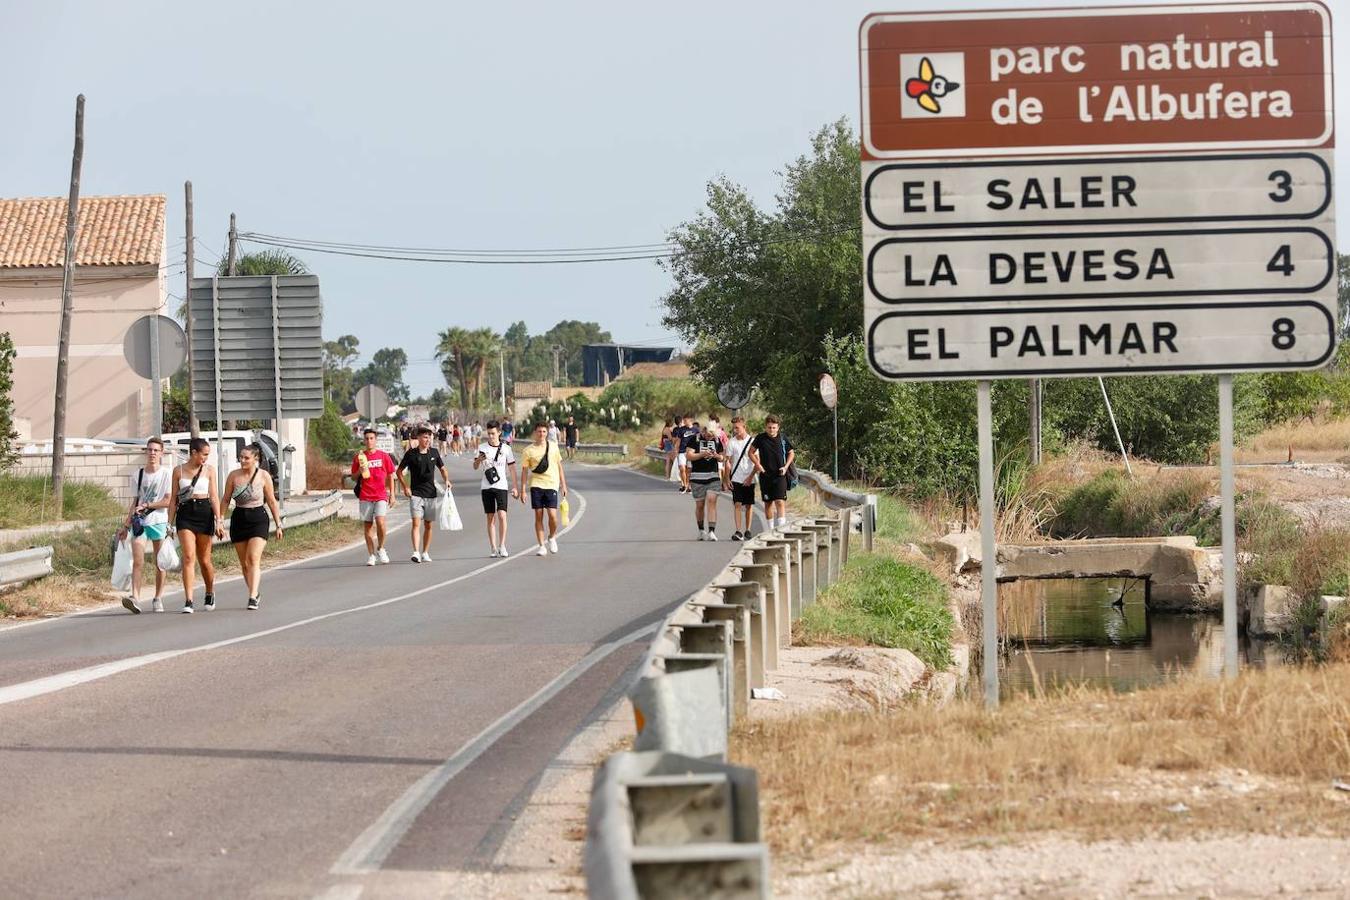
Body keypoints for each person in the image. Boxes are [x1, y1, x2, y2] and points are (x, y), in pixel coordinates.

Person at [224, 443, 284, 610]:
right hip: (239, 518)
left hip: (258, 518)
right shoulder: (233, 476)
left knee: (253, 558)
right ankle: (254, 592)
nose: (242, 460)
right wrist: (220, 521)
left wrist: (278, 524)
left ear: (255, 459)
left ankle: (252, 597)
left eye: (246, 458)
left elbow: (271, 500)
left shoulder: (264, 476)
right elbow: (225, 499)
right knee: (244, 563)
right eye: (241, 457)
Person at [167, 437, 224, 613]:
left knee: (205, 559)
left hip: (204, 512)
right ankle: (189, 600)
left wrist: (219, 520)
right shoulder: (178, 471)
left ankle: (209, 591)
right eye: (204, 454)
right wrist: (169, 524)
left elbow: (214, 496)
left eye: (207, 455)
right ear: (193, 453)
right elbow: (173, 500)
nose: (205, 458)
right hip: (185, 513)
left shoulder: (209, 470)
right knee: (189, 557)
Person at [119, 438, 174, 614]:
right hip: (140, 521)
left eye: (156, 450)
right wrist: (126, 525)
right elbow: (134, 502)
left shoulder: (166, 474)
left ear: (161, 453)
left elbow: (167, 501)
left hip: (158, 520)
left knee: (160, 562)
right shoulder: (138, 475)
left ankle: (158, 597)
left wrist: (148, 506)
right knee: (138, 560)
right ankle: (135, 596)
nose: (152, 453)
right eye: (150, 450)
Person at [397, 425, 450, 563]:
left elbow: (443, 469)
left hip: (431, 494)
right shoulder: (411, 454)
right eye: (425, 437)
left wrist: (447, 481)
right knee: (416, 523)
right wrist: (405, 487)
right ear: (419, 438)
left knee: (428, 525)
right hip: (416, 494)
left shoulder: (434, 453)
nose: (427, 440)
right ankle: (416, 552)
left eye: (429, 437)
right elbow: (399, 471)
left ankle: (425, 552)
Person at [517, 421, 567, 557]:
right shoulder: (528, 451)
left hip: (552, 484)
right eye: (539, 431)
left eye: (544, 431)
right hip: (536, 485)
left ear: (547, 433)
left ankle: (552, 536)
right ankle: (541, 545)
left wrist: (564, 485)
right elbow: (524, 471)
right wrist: (522, 490)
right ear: (535, 432)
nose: (541, 434)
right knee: (538, 515)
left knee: (553, 516)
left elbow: (559, 466)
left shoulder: (554, 447)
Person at [352, 427, 398, 566]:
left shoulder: (384, 456)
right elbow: (353, 477)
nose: (369, 441)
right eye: (367, 439)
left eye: (372, 438)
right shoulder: (359, 457)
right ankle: (371, 555)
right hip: (365, 495)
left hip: (380, 495)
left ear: (375, 440)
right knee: (368, 526)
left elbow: (391, 475)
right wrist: (359, 471)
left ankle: (381, 548)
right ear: (364, 440)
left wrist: (393, 494)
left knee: (381, 522)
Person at [474, 420, 518, 557]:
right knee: (490, 517)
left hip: (501, 486)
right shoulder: (482, 447)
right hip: (486, 487)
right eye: (489, 434)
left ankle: (502, 545)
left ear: (499, 433)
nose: (491, 436)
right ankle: (493, 548)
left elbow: (511, 469)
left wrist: (515, 487)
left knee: (502, 515)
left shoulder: (506, 449)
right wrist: (478, 460)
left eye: (493, 433)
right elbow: (475, 467)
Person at [749, 415, 795, 530]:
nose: (771, 430)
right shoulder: (760, 438)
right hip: (765, 475)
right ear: (766, 427)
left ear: (778, 427)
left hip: (780, 474)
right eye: (769, 427)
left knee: (780, 501)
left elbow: (791, 452)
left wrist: (786, 466)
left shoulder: (783, 438)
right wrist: (758, 465)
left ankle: (781, 529)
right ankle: (769, 529)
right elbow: (750, 452)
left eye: (774, 427)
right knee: (768, 503)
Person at [686, 423, 724, 541]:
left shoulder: (717, 441)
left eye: (711, 436)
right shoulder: (694, 439)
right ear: (703, 431)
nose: (709, 438)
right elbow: (689, 455)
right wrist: (702, 454)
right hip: (697, 477)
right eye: (707, 436)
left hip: (713, 475)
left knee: (712, 501)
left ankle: (712, 531)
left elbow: (723, 457)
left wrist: (717, 456)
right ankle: (701, 530)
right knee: (700, 505)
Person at [723, 416, 757, 541]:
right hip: (736, 477)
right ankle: (738, 531)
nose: (735, 430)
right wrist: (727, 479)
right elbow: (728, 462)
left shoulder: (752, 441)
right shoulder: (731, 442)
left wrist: (751, 476)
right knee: (737, 503)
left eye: (737, 428)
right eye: (733, 428)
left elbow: (757, 462)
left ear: (744, 427)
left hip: (749, 477)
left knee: (748, 504)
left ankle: (748, 530)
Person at [672, 413, 696, 493]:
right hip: (682, 451)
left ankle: (689, 485)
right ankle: (684, 485)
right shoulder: (681, 429)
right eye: (684, 420)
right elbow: (678, 441)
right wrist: (676, 449)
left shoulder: (696, 430)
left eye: (686, 420)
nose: (684, 422)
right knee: (682, 468)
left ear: (690, 420)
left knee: (689, 469)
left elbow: (699, 441)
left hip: (691, 452)